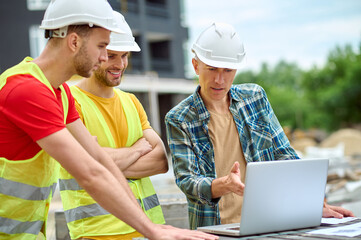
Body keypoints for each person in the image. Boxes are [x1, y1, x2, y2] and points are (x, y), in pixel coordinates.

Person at [0, 0, 217, 239]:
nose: (105, 57)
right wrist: (152, 231)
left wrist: (148, 226)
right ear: (74, 42)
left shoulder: (58, 93)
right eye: (102, 46)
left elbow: (100, 161)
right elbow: (90, 174)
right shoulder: (26, 90)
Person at [165, 22, 355, 230]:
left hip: (267, 222)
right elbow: (187, 181)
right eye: (211, 69)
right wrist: (224, 185)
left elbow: (284, 154)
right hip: (214, 229)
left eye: (227, 70)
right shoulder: (179, 118)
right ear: (195, 65)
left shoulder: (254, 98)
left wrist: (315, 205)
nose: (219, 79)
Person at [59, 11, 168, 240]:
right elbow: (84, 166)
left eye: (125, 55)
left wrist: (104, 161)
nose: (120, 64)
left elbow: (160, 160)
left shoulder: (131, 102)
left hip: (148, 228)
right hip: (97, 233)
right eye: (111, 55)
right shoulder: (69, 100)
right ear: (96, 53)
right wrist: (137, 150)